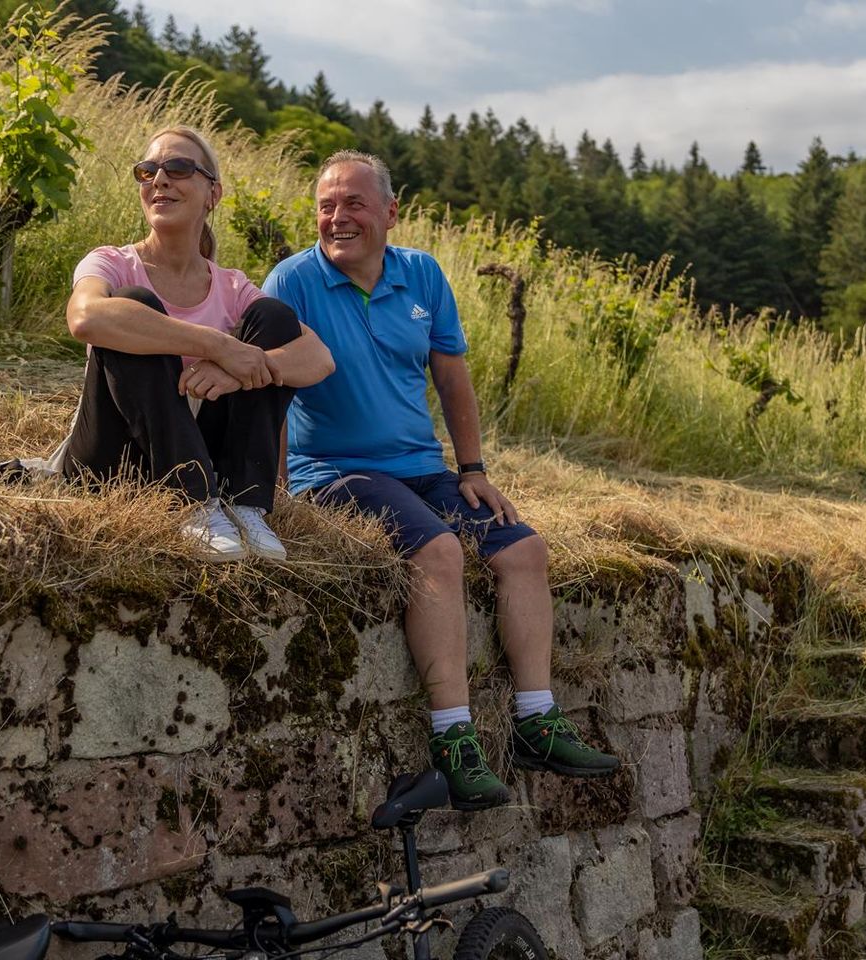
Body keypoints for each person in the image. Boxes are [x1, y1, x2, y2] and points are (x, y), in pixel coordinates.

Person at [262, 150, 619, 810]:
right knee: (439, 553)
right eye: (325, 205)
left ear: (391, 213)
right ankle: (454, 740)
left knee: (525, 551)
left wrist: (474, 468)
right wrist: (277, 493)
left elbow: (451, 377)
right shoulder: (291, 283)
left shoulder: (423, 276)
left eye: (353, 204)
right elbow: (271, 391)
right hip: (337, 474)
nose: (336, 217)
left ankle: (538, 718)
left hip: (424, 471)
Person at [60, 125, 334, 560]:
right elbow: (85, 317)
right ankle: (192, 500)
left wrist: (237, 371)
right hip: (111, 462)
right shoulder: (111, 262)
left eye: (179, 167)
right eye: (147, 170)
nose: (159, 179)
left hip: (208, 453)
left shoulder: (231, 286)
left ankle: (245, 502)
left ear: (213, 194)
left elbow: (318, 357)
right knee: (132, 306)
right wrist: (217, 345)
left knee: (274, 317)